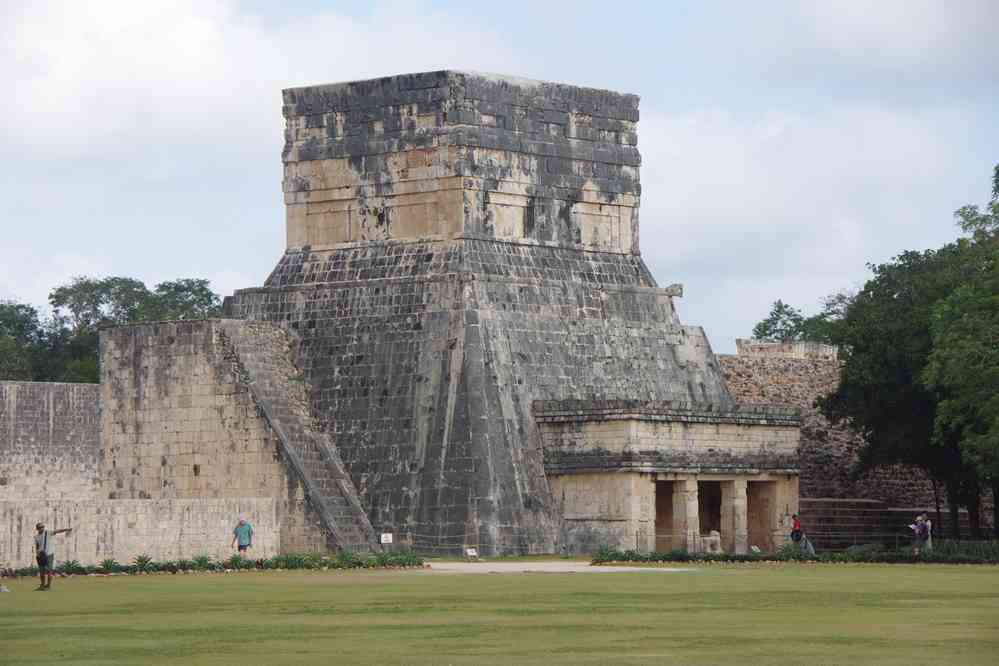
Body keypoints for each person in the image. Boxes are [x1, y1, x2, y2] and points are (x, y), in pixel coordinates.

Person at [34, 522, 73, 591]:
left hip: (49, 554)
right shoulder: (36, 537)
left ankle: (48, 586)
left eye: (42, 527)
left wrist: (66, 529)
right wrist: (37, 553)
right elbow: (37, 546)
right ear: (37, 529)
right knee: (41, 571)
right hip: (40, 555)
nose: (42, 528)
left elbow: (57, 531)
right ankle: (42, 585)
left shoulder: (47, 533)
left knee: (49, 571)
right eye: (40, 527)